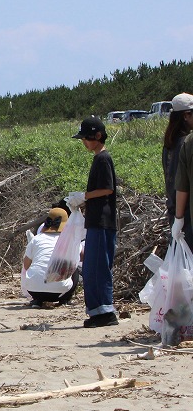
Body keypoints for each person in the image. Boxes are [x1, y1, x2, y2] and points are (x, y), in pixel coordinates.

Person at [68, 116, 118, 328]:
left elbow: (108, 188)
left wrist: (85, 196)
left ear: (97, 136)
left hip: (103, 221)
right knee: (91, 266)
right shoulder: (98, 158)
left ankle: (104, 311)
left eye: (86, 138)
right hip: (96, 220)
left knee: (97, 267)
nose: (84, 142)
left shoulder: (103, 159)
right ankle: (97, 311)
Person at [22, 207, 79, 307]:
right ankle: (65, 299)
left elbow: (26, 265)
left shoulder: (36, 239)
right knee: (74, 268)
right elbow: (77, 260)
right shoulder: (69, 241)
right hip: (59, 292)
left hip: (34, 290)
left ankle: (37, 301)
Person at [164, 93, 193, 227]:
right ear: (186, 115)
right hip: (185, 212)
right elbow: (182, 185)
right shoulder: (186, 144)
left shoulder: (169, 144)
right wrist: (180, 217)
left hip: (173, 209)